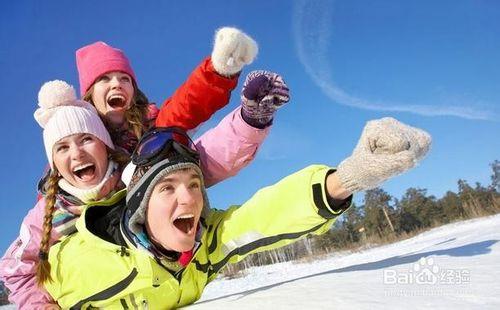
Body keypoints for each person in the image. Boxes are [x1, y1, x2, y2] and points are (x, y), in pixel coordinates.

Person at [43, 119, 431, 308]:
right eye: (168, 188)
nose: (189, 200)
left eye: (195, 185)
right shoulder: (82, 258)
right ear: (140, 207)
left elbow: (262, 217)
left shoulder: (202, 248)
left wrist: (344, 180)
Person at [0, 65, 289, 309]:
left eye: (86, 140)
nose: (76, 154)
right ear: (53, 163)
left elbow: (203, 158)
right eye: (62, 147)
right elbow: (15, 270)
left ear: (105, 147)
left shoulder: (134, 177)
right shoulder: (49, 214)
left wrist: (250, 120)